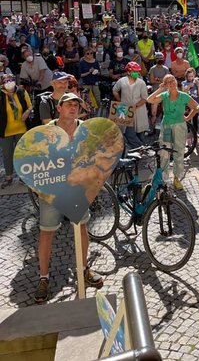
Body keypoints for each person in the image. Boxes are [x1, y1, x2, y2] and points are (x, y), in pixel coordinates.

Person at [35, 92, 104, 303]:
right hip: (52, 190)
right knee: (47, 232)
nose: (73, 108)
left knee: (81, 228)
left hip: (77, 190)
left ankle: (83, 269)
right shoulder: (47, 131)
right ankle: (43, 278)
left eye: (76, 105)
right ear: (59, 108)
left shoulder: (84, 129)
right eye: (69, 104)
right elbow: (35, 160)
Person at [147, 74, 199, 190]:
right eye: (168, 82)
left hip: (180, 127)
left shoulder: (183, 96)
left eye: (173, 80)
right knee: (164, 151)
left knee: (179, 152)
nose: (172, 83)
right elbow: (149, 100)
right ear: (166, 85)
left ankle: (177, 178)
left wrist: (188, 117)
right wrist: (160, 89)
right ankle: (163, 178)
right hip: (167, 127)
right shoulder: (164, 95)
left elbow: (196, 107)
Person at [0, 74, 32, 188]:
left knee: (22, 154)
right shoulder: (1, 94)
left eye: (11, 80)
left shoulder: (21, 92)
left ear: (15, 81)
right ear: (2, 84)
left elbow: (30, 106)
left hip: (21, 129)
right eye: (6, 81)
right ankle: (8, 177)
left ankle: (23, 177)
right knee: (7, 154)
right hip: (5, 130)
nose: (9, 82)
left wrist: (27, 112)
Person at [112, 61, 149, 149]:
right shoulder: (121, 81)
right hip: (124, 109)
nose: (137, 73)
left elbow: (144, 98)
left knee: (140, 133)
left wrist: (136, 106)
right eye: (134, 71)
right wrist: (120, 101)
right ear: (128, 72)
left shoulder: (141, 82)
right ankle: (140, 148)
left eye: (137, 72)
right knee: (128, 132)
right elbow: (115, 90)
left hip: (139, 110)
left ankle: (142, 150)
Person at [147, 52, 170, 134]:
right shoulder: (152, 69)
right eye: (158, 58)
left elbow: (167, 81)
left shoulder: (166, 69)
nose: (160, 60)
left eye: (161, 58)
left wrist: (157, 79)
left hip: (165, 93)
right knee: (153, 113)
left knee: (166, 112)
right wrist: (162, 80)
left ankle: (165, 130)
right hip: (156, 93)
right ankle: (153, 129)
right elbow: (151, 80)